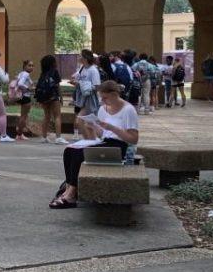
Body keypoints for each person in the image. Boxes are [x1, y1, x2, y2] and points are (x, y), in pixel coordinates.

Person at [49, 81, 139, 209]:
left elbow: (133, 139)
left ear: (114, 94)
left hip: (120, 147)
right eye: (101, 97)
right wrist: (93, 126)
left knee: (81, 153)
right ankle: (69, 187)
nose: (102, 100)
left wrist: (112, 128)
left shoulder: (128, 110)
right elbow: (104, 134)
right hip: (106, 142)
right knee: (70, 150)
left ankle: (70, 195)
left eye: (105, 97)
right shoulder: (103, 109)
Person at [34, 54, 66, 144]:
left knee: (47, 116)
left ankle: (44, 137)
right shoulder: (54, 72)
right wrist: (61, 97)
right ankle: (58, 137)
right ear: (52, 63)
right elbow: (57, 85)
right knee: (57, 116)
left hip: (44, 97)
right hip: (53, 96)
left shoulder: (43, 73)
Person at [73, 49, 101, 117]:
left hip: (89, 100)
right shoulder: (82, 68)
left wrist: (80, 84)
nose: (78, 57)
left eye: (80, 56)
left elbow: (97, 86)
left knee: (81, 120)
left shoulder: (93, 70)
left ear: (85, 58)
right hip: (80, 99)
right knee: (81, 121)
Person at [14, 59, 35, 140]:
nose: (31, 67)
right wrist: (28, 88)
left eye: (32, 66)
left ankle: (20, 134)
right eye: (29, 65)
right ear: (24, 66)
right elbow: (20, 84)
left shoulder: (21, 73)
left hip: (22, 96)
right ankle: (19, 135)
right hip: (25, 97)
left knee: (23, 116)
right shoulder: (25, 74)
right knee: (23, 116)